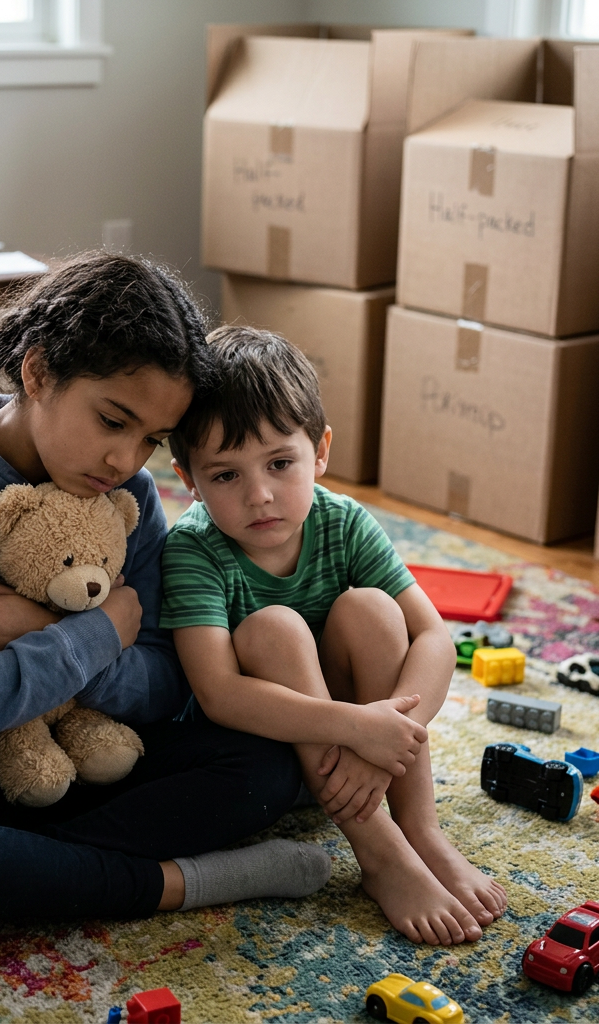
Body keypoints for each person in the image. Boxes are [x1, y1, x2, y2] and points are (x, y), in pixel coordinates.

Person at [0, 254, 331, 960]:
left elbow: (166, 678)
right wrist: (96, 635)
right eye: (113, 420)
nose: (124, 459)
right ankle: (184, 883)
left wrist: (52, 630)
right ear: (38, 373)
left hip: (89, 746)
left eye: (149, 440)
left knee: (266, 766)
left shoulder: (127, 495)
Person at [162, 326, 508, 947]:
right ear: (188, 478)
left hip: (366, 758)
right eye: (225, 476)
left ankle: (420, 828)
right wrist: (356, 728)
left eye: (279, 464)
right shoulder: (192, 549)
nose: (260, 495)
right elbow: (218, 693)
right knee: (274, 628)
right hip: (268, 757)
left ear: (320, 451)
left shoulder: (342, 520)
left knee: (373, 610)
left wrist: (386, 739)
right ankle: (383, 857)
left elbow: (432, 635)